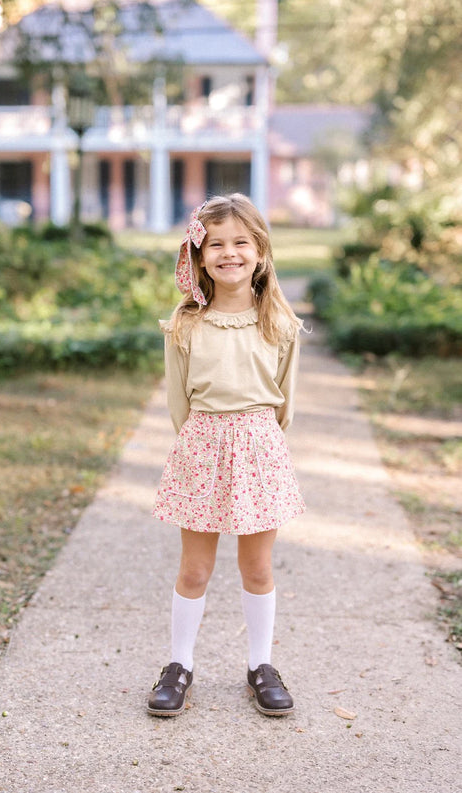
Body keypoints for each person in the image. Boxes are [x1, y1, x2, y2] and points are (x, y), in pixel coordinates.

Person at [148, 193, 305, 717]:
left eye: (241, 242)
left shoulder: (278, 322)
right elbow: (178, 401)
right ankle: (179, 664)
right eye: (216, 243)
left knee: (257, 568)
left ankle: (261, 665)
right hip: (201, 448)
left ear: (259, 250)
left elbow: (284, 398)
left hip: (261, 450)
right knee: (194, 569)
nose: (229, 253)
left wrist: (258, 442)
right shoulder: (187, 324)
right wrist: (203, 446)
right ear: (199, 253)